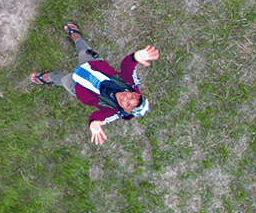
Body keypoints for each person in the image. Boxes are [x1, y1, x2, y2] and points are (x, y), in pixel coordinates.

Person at [30, 23, 159, 145]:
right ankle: (77, 37)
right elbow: (127, 67)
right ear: (134, 93)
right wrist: (135, 57)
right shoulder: (130, 83)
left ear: (126, 110)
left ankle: (48, 78)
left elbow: (99, 116)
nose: (126, 98)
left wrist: (94, 123)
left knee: (64, 80)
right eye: (132, 96)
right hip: (92, 65)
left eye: (128, 104)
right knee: (83, 51)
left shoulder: (115, 112)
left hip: (78, 86)